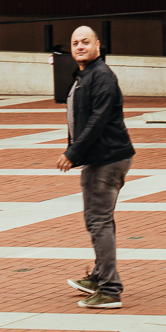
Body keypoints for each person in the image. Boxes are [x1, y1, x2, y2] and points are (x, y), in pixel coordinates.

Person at [56, 23, 135, 309]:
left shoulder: (101, 76)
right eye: (75, 42)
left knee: (98, 220)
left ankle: (110, 289)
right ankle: (100, 275)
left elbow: (98, 120)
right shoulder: (85, 75)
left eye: (85, 42)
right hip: (103, 157)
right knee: (101, 219)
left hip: (107, 159)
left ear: (98, 45)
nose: (79, 46)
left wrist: (73, 152)